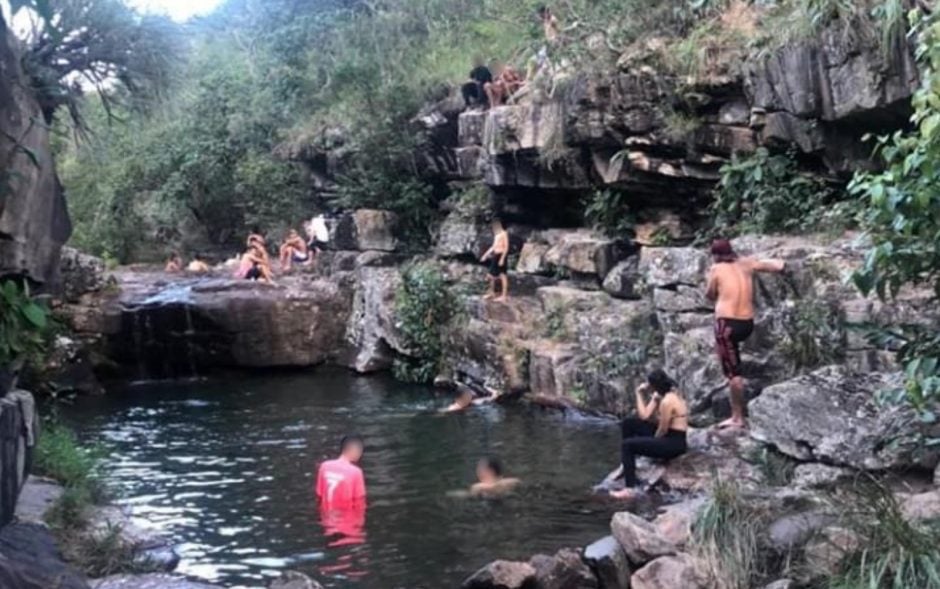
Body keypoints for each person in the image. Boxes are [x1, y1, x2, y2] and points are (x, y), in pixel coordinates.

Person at [705, 239, 785, 430]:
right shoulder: (747, 263)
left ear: (715, 256)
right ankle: (736, 404)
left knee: (734, 375)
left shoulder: (716, 269)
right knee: (733, 364)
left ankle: (737, 417)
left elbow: (709, 294)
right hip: (747, 324)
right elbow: (778, 265)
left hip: (727, 326)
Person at [610, 370, 689, 500]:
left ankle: (630, 489)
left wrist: (650, 442)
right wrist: (639, 393)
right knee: (628, 423)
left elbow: (662, 430)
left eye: (649, 384)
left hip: (674, 443)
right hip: (668, 435)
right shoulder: (662, 395)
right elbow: (645, 416)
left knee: (627, 445)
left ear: (654, 386)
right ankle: (627, 464)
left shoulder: (667, 401)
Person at [316, 435, 367, 509]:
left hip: (326, 517)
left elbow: (319, 495)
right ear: (356, 451)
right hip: (347, 518)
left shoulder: (324, 466)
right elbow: (359, 502)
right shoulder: (356, 472)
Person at [481, 218, 509, 301]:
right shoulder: (497, 235)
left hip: (501, 255)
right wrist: (485, 255)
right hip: (495, 255)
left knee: (502, 275)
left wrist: (502, 258)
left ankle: (504, 296)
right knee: (491, 275)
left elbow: (506, 247)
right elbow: (493, 247)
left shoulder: (504, 233)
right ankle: (491, 293)